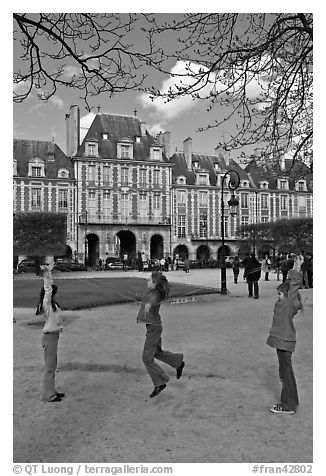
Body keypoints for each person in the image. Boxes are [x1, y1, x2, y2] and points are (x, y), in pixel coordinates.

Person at [137, 271, 184, 398]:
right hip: (153, 327)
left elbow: (154, 299)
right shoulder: (152, 292)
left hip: (154, 328)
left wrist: (149, 304)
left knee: (147, 358)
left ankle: (160, 381)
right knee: (157, 353)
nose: (147, 281)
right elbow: (150, 297)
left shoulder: (156, 295)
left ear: (155, 284)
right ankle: (178, 362)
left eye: (149, 280)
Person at [266, 281, 302, 414]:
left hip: (284, 342)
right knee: (288, 373)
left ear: (288, 296)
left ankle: (287, 405)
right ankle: (293, 401)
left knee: (285, 374)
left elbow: (293, 287)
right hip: (283, 342)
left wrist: (297, 269)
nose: (278, 297)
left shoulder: (288, 305)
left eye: (280, 294)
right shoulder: (286, 305)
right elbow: (291, 286)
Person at [39, 264, 64, 403]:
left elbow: (51, 288)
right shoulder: (47, 305)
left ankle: (51, 391)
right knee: (49, 368)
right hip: (49, 337)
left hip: (53, 337)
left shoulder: (53, 305)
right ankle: (47, 395)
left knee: (52, 366)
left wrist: (51, 273)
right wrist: (46, 274)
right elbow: (48, 289)